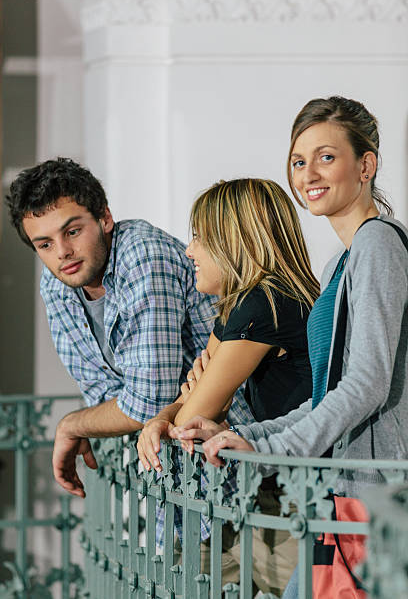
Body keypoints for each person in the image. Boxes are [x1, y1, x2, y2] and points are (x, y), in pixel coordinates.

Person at [176, 97, 408, 597]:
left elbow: (367, 384)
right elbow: (326, 395)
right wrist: (246, 437)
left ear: (365, 165)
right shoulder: (339, 267)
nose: (308, 174)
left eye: (326, 156)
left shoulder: (379, 244)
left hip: (379, 498)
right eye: (298, 162)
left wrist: (269, 448)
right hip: (343, 492)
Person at [5, 157, 253, 505]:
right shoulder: (57, 283)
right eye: (44, 244)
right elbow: (102, 394)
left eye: (72, 231)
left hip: (233, 475)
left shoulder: (142, 255)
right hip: (168, 487)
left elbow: (147, 401)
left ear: (104, 218)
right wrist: (101, 416)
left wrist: (73, 425)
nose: (62, 252)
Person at [137, 177, 320, 595]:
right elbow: (186, 404)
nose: (190, 251)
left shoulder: (266, 303)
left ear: (232, 240)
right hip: (264, 488)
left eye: (200, 237)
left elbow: (192, 417)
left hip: (292, 500)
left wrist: (181, 409)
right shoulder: (246, 304)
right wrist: (160, 418)